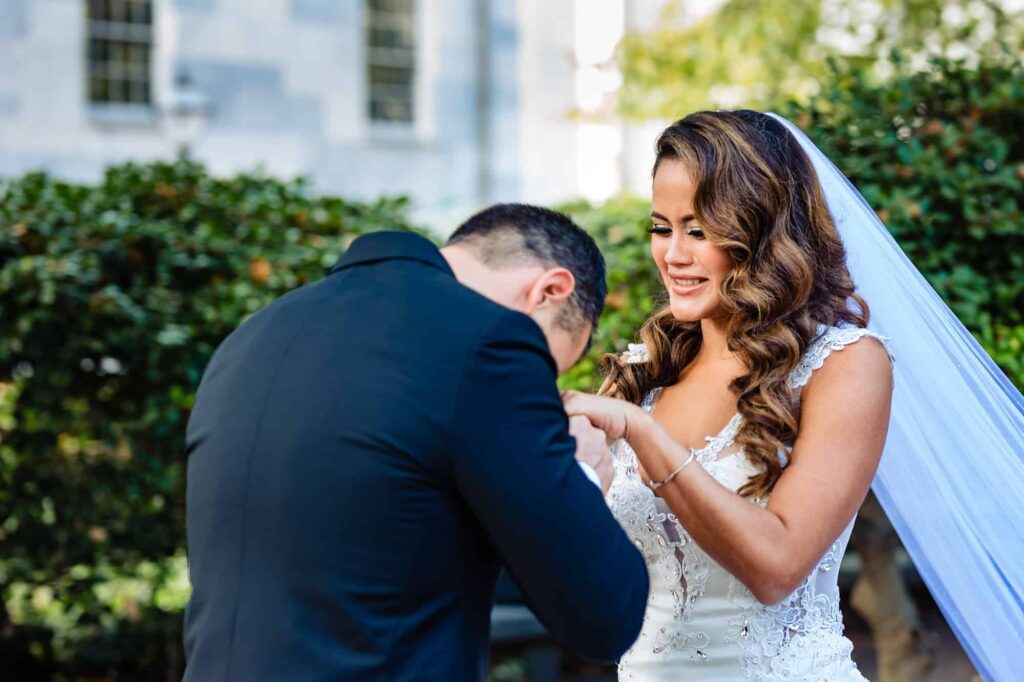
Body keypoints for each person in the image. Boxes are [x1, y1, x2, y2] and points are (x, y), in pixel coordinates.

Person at [183, 204, 649, 681]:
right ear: (548, 291)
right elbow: (604, 618)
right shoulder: (492, 340)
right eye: (548, 368)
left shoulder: (254, 335)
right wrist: (584, 474)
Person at [562, 110, 893, 680]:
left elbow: (776, 569)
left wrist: (644, 434)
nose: (673, 255)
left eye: (700, 230)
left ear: (761, 231)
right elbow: (583, 575)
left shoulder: (844, 364)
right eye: (662, 228)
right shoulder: (640, 375)